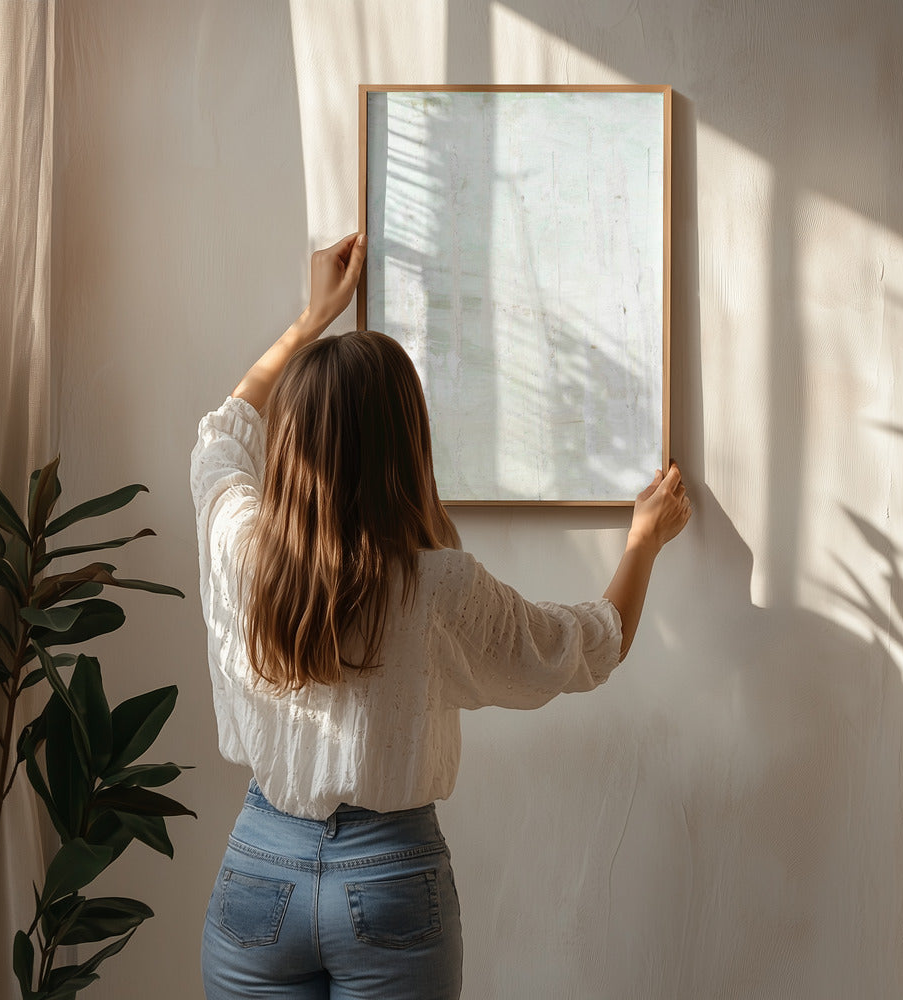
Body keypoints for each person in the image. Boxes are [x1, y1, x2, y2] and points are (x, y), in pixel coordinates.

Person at [192, 233, 691, 1000]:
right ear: (407, 445)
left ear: (291, 446)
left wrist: (310, 320)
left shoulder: (242, 546)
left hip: (260, 870)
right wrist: (643, 543)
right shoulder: (439, 587)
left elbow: (221, 438)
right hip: (389, 879)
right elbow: (589, 647)